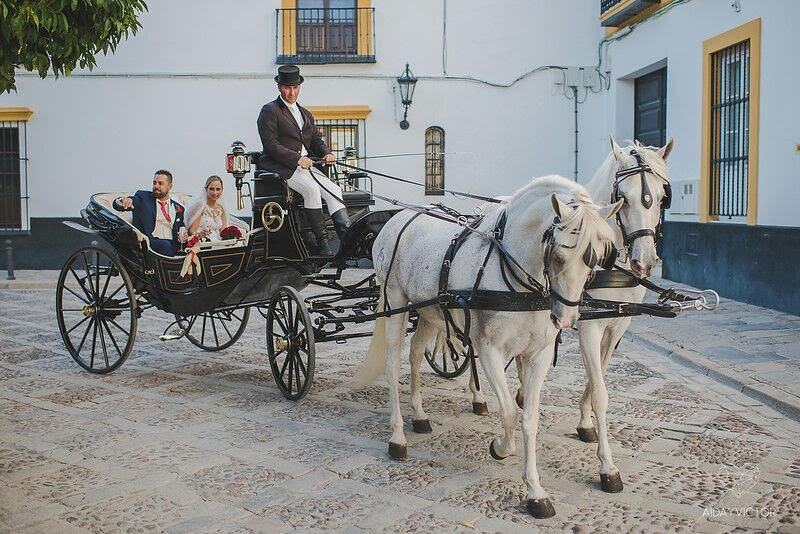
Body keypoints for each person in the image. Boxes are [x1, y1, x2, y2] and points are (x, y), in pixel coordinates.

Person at [256, 64, 350, 256]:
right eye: (287, 88)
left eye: (295, 88)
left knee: (334, 190)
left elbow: (315, 140)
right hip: (282, 167)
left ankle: (346, 240)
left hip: (304, 166)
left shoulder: (305, 114)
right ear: (280, 87)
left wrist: (326, 153)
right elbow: (270, 145)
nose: (291, 92)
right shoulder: (270, 111)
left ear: (299, 87)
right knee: (311, 189)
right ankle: (322, 244)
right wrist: (297, 159)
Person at [113, 170, 187, 256]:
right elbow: (127, 202)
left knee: (191, 247)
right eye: (154, 183)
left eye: (160, 183)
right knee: (166, 245)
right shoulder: (143, 197)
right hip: (150, 242)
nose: (156, 186)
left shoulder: (179, 208)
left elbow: (181, 230)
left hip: (173, 243)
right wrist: (123, 201)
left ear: (169, 186)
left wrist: (183, 237)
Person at [186, 175, 248, 241]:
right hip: (203, 243)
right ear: (206, 189)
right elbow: (192, 231)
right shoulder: (201, 206)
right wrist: (200, 235)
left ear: (222, 190)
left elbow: (223, 231)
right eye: (211, 189)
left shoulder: (221, 208)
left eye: (218, 189)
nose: (215, 193)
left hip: (218, 241)